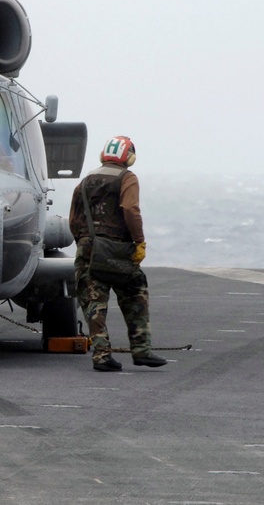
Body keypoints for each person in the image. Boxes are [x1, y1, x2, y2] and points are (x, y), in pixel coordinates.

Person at [68, 135, 167, 372]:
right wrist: (139, 241)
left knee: (94, 303)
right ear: (129, 157)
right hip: (117, 249)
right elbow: (130, 209)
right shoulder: (127, 177)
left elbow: (74, 218)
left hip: (87, 248)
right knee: (135, 292)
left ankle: (101, 356)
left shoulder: (86, 180)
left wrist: (83, 243)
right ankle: (141, 349)